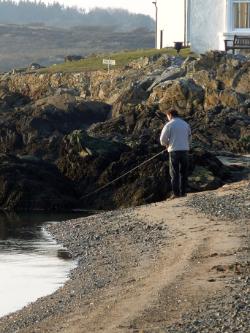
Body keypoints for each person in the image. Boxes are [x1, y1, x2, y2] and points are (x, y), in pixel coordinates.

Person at [160, 109, 192, 199]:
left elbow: (162, 140)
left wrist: (166, 144)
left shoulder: (169, 125)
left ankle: (176, 193)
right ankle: (183, 193)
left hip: (174, 151)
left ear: (170, 115)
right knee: (184, 172)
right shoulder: (185, 124)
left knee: (174, 173)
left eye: (167, 116)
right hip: (185, 150)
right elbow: (190, 137)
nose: (167, 118)